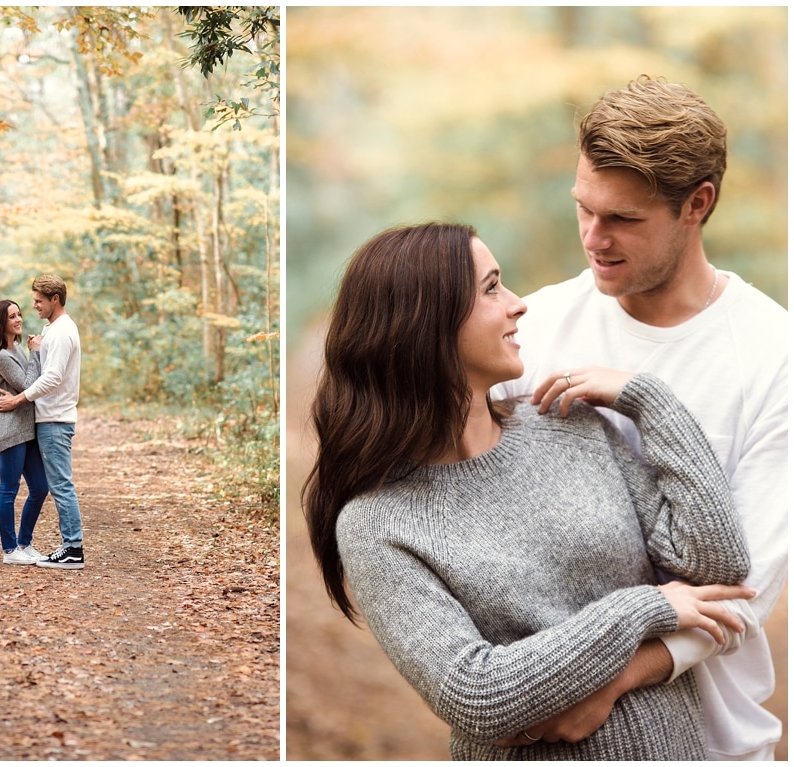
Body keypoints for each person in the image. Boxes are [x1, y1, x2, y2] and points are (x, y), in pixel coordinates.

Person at [302, 222, 755, 759]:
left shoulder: (570, 425)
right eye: (492, 288)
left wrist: (650, 400)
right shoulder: (379, 522)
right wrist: (644, 608)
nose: (518, 305)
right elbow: (477, 693)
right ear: (425, 325)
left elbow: (717, 565)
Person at [494, 75, 787, 760]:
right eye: (583, 209)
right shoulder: (533, 330)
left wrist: (611, 680)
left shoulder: (772, 355)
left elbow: (741, 592)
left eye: (623, 219)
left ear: (698, 203)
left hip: (716, 743)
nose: (594, 238)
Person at [0, 275, 84, 570]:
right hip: (46, 419)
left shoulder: (60, 332)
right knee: (52, 484)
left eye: (38, 301)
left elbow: (52, 377)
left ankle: (72, 548)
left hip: (55, 418)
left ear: (54, 299)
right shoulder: (52, 330)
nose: (32, 306)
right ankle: (56, 546)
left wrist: (19, 400)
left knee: (59, 485)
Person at [0, 299, 49, 565]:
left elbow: (34, 382)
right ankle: (10, 550)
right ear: (1, 323)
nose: (19, 319)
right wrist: (37, 353)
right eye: (12, 316)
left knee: (40, 487)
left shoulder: (16, 349)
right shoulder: (0, 356)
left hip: (25, 428)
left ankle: (24, 543)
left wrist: (32, 354)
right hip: (9, 429)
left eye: (19, 314)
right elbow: (29, 385)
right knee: (9, 490)